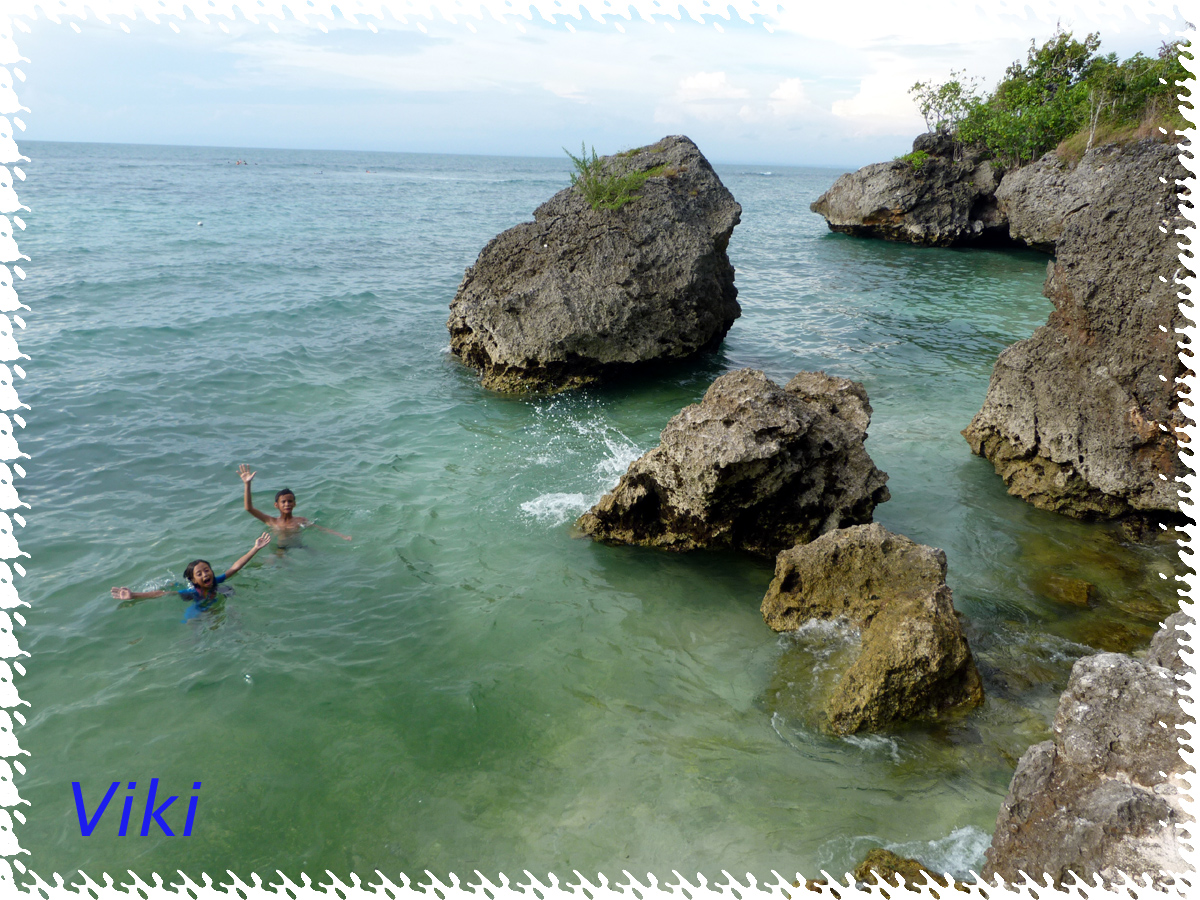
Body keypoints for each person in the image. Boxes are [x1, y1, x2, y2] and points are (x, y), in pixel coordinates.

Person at [110, 533, 272, 616]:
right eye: (199, 573)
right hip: (199, 609)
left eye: (206, 570)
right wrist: (134, 595)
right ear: (193, 580)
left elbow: (235, 568)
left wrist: (255, 548)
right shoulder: (192, 592)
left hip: (216, 600)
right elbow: (162, 593)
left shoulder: (216, 581)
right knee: (196, 628)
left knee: (230, 599)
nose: (205, 574)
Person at [237, 464, 352, 540]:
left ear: (294, 504)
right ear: (276, 505)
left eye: (290, 501)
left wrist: (342, 536)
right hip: (281, 550)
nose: (287, 504)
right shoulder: (271, 521)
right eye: (284, 502)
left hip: (299, 546)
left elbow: (321, 529)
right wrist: (247, 484)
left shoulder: (300, 520)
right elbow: (249, 508)